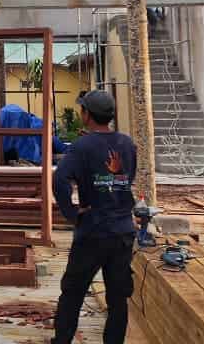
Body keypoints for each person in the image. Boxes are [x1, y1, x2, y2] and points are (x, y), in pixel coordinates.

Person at [51, 90, 136, 344]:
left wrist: (71, 212)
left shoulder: (82, 147)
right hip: (122, 230)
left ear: (87, 114)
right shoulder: (127, 144)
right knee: (118, 297)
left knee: (73, 293)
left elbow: (59, 179)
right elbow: (127, 178)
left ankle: (62, 340)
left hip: (93, 230)